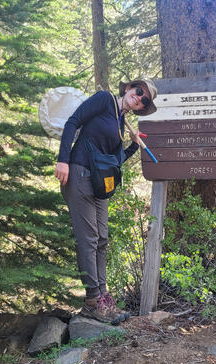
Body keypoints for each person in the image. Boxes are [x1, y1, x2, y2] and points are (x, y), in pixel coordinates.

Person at [54, 78, 157, 324]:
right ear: (130, 88)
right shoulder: (104, 100)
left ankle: (102, 297)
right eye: (139, 92)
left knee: (102, 239)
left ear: (142, 107)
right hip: (78, 173)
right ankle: (92, 301)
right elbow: (73, 122)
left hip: (99, 183)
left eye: (144, 100)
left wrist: (132, 147)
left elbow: (113, 161)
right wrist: (62, 160)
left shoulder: (121, 122)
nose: (139, 98)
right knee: (88, 239)